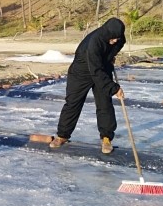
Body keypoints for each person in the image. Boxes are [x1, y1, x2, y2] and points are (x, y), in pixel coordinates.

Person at [50, 17, 126, 154]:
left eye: (118, 38)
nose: (115, 40)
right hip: (81, 72)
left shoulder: (119, 38)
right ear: (107, 33)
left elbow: (114, 49)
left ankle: (106, 138)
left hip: (101, 68)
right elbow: (95, 70)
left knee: (104, 104)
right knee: (73, 103)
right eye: (113, 38)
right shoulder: (94, 42)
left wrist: (109, 57)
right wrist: (114, 88)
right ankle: (62, 135)